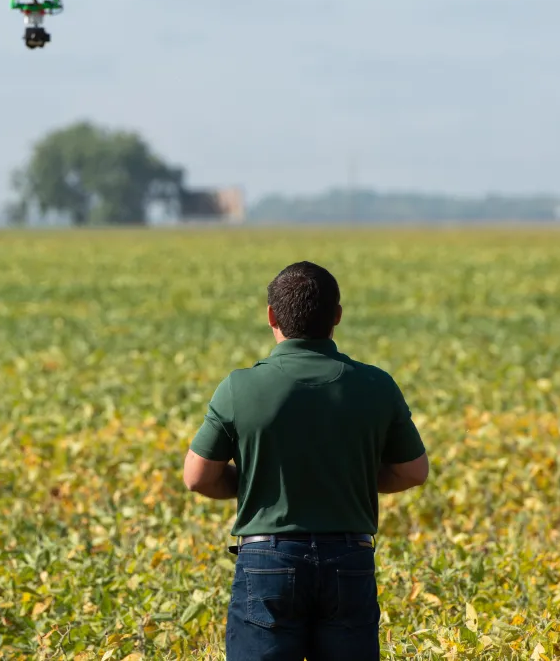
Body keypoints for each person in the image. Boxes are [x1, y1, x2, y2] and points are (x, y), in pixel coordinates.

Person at [183, 261, 429, 660]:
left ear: (271, 316)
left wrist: (250, 482)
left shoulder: (239, 387)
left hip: (267, 559)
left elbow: (197, 477)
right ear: (337, 316)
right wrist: (356, 476)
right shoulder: (375, 385)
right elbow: (413, 471)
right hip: (349, 558)